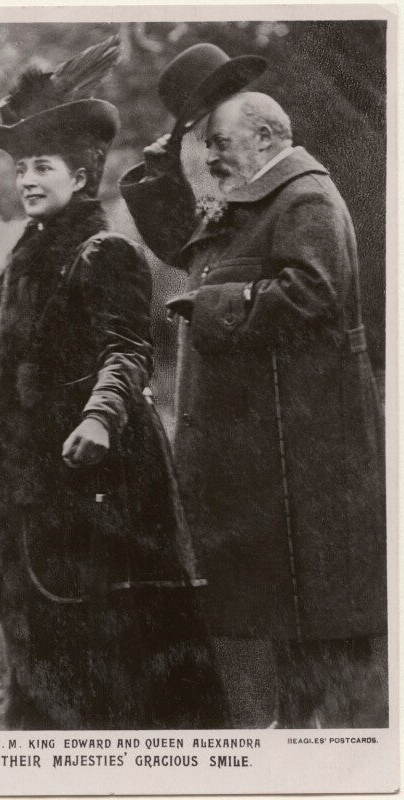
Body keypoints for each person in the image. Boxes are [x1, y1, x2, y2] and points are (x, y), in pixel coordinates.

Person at [0, 36, 229, 730]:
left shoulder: (106, 252)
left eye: (44, 166)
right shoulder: (22, 259)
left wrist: (96, 418)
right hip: (29, 481)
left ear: (84, 175)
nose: (28, 179)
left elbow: (127, 352)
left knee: (112, 655)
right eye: (22, 167)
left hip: (99, 481)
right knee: (37, 645)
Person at [119, 43, 387, 728]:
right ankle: (295, 736)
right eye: (204, 144)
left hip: (301, 451)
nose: (210, 159)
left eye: (220, 142)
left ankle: (325, 754)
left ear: (268, 137)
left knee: (316, 621)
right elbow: (180, 239)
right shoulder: (253, 201)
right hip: (269, 448)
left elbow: (312, 295)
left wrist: (204, 306)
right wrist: (176, 137)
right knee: (283, 613)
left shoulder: (304, 196)